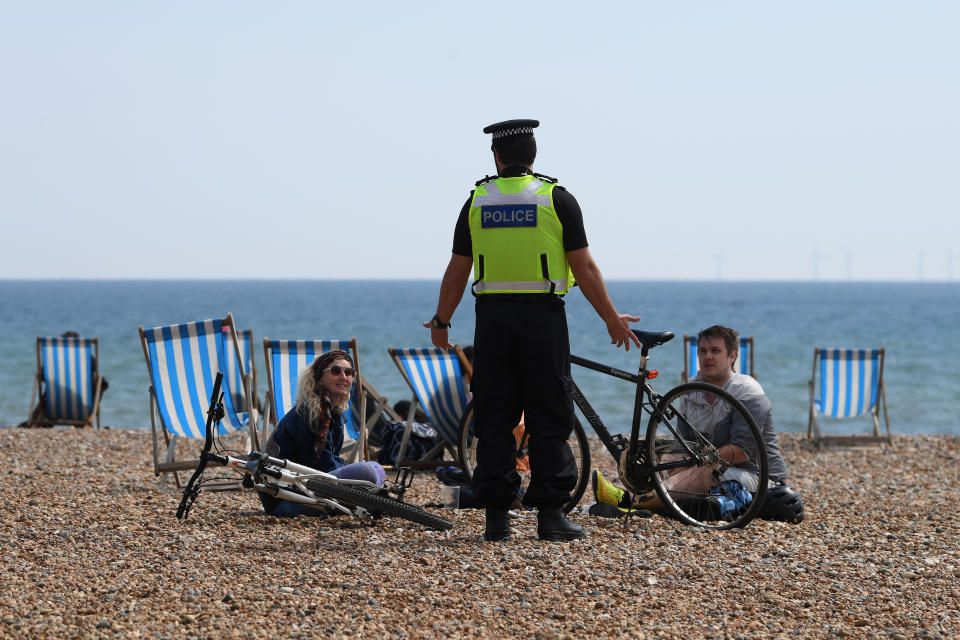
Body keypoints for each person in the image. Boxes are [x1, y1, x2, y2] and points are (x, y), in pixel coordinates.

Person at [425, 119, 641, 542]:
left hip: (492, 320)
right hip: (543, 318)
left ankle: (497, 520)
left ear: (497, 156)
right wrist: (611, 318)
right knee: (549, 415)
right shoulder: (557, 199)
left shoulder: (476, 201)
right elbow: (585, 268)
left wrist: (442, 321)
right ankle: (550, 516)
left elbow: (456, 271)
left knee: (494, 417)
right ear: (533, 155)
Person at [593, 325, 804, 524]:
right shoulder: (689, 391)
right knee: (674, 459)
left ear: (732, 356)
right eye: (702, 351)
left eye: (715, 351)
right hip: (719, 471)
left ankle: (627, 501)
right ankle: (647, 503)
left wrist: (698, 462)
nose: (708, 356)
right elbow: (686, 446)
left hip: (762, 480)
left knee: (705, 470)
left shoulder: (747, 391)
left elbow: (741, 452)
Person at [257, 350, 386, 517]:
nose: (344, 376)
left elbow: (328, 463)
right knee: (368, 471)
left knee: (376, 469)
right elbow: (322, 468)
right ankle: (369, 502)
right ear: (319, 378)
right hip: (286, 500)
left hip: (308, 491)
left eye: (349, 372)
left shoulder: (332, 413)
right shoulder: (311, 414)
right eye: (335, 371)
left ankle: (368, 502)